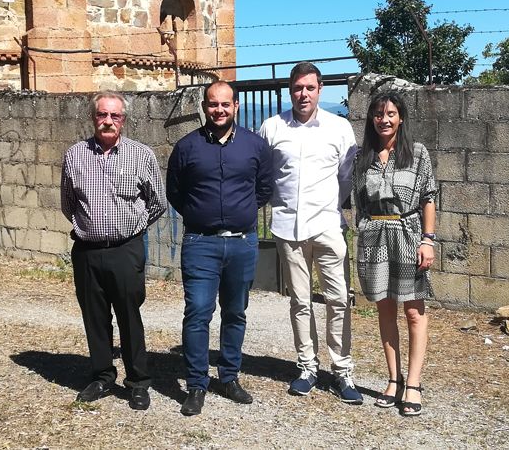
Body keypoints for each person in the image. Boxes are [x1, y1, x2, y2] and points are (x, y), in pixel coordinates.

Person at [258, 62, 363, 404]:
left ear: (320, 90)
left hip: (328, 226)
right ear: (291, 91)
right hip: (288, 228)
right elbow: (266, 175)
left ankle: (342, 371)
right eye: (297, 88)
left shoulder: (339, 128)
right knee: (300, 302)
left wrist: (331, 208)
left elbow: (346, 176)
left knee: (338, 302)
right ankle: (307, 368)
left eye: (309, 88)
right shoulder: (272, 127)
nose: (303, 94)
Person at [166, 81, 273, 416]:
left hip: (242, 243)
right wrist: (203, 214)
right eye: (213, 105)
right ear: (204, 106)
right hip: (200, 243)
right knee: (197, 312)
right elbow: (175, 193)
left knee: (235, 312)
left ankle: (228, 377)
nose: (219, 110)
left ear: (236, 106)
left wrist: (239, 212)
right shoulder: (187, 147)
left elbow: (264, 188)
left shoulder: (256, 146)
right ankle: (197, 384)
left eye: (225, 104)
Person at [60, 91, 167, 411]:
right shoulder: (74, 155)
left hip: (126, 250)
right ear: (93, 118)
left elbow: (158, 202)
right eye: (102, 115)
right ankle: (102, 376)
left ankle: (137, 382)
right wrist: (91, 228)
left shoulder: (141, 155)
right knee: (94, 317)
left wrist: (131, 229)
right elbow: (68, 203)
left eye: (114, 116)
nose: (108, 121)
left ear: (124, 120)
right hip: (87, 251)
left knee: (129, 316)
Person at [353, 90, 438, 417]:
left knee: (414, 312)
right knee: (385, 310)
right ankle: (393, 379)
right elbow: (358, 202)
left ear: (400, 118)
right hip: (375, 236)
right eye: (377, 114)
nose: (383, 120)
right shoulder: (364, 157)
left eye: (390, 114)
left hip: (408, 235)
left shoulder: (417, 154)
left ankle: (413, 383)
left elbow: (428, 196)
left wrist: (427, 240)